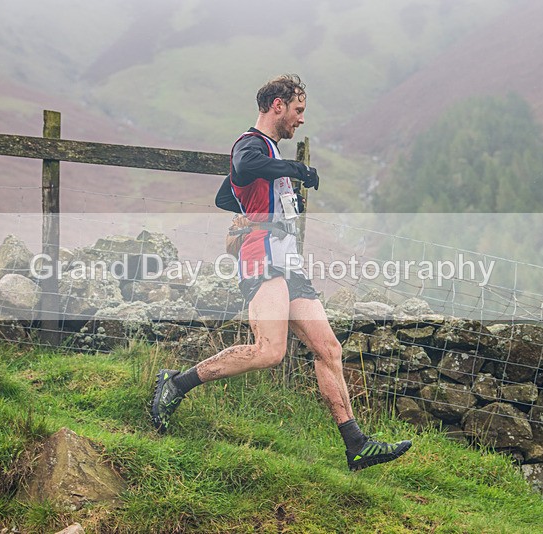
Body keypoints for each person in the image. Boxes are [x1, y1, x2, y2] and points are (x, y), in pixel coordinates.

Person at [151, 74, 411, 471]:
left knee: (329, 349)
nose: (301, 119)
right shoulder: (251, 143)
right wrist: (294, 173)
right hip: (263, 257)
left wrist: (273, 204)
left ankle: (356, 445)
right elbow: (242, 166)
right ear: (277, 105)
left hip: (289, 262)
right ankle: (176, 383)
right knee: (269, 351)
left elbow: (229, 193)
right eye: (298, 110)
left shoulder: (268, 152)